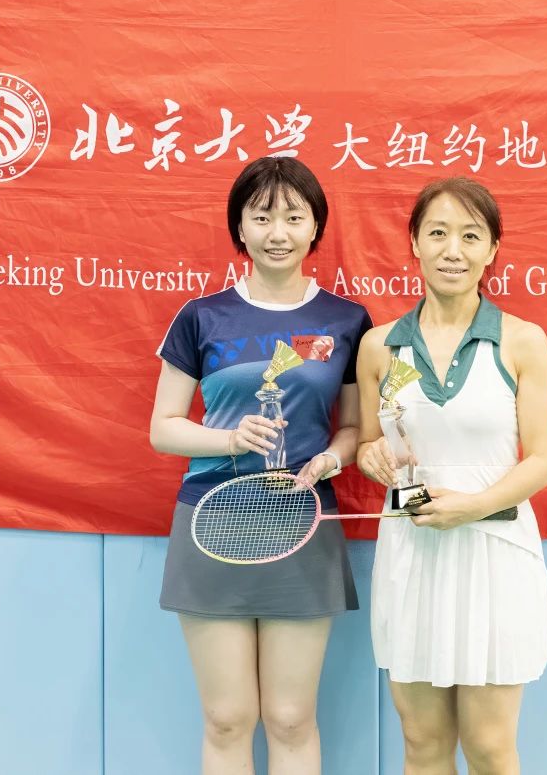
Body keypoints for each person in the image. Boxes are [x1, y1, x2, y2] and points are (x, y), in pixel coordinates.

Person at [150, 156, 372, 775]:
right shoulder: (202, 317)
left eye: (294, 218)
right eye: (262, 217)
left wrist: (332, 457)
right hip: (211, 524)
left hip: (302, 523)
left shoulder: (347, 321)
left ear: (315, 227)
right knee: (227, 718)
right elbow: (163, 429)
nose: (278, 233)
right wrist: (230, 439)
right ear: (240, 229)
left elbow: (354, 428)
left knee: (291, 717)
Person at [355, 177, 547, 775]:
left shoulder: (524, 341)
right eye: (438, 233)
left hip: (494, 554)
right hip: (412, 554)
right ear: (414, 243)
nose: (453, 250)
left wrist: (472, 506)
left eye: (470, 236)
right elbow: (368, 443)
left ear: (492, 249)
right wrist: (370, 457)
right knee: (422, 743)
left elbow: (541, 461)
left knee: (490, 747)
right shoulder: (377, 347)